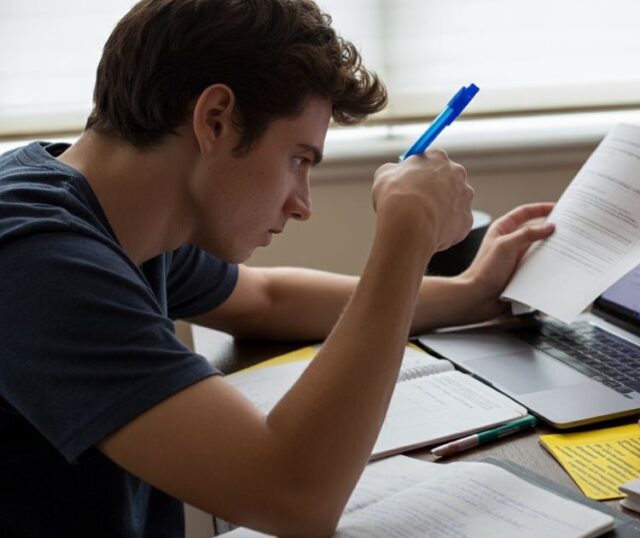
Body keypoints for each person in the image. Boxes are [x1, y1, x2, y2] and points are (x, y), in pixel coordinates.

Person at [0, 0, 555, 535]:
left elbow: (266, 299)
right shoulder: (34, 256)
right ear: (215, 120)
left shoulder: (113, 211)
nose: (302, 204)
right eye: (298, 159)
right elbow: (295, 495)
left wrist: (471, 291)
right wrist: (407, 234)